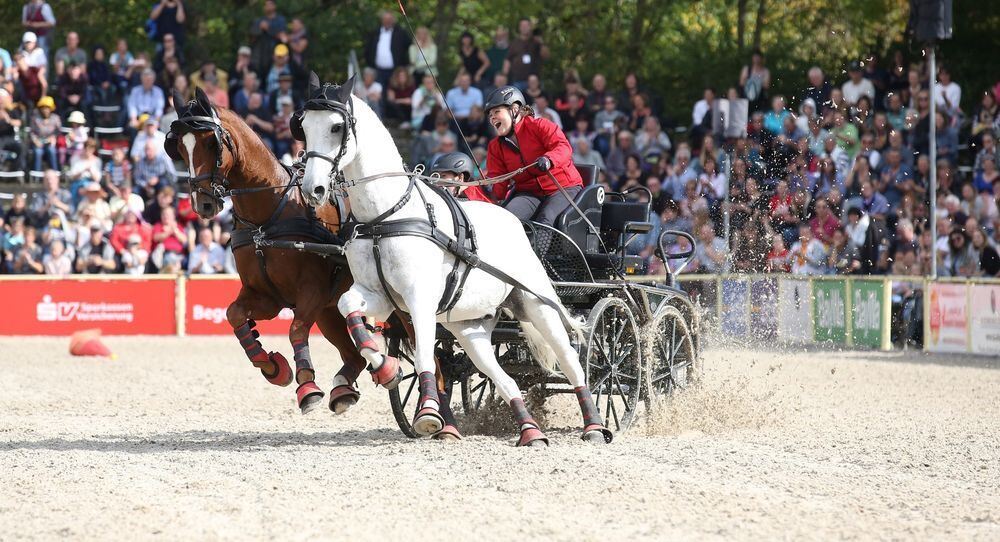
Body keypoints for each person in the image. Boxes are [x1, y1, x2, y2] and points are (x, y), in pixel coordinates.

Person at [484, 86, 583, 225]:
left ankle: (538, 248)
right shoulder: (495, 146)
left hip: (563, 187)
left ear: (514, 110)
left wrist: (549, 159)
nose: (492, 118)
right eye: (490, 115)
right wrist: (482, 188)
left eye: (496, 111)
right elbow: (497, 186)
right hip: (529, 193)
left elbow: (563, 147)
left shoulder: (541, 125)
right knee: (505, 220)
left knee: (546, 220)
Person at [364, 10, 411, 88]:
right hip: (378, 70)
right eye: (385, 19)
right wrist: (370, 62)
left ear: (393, 21)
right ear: (382, 20)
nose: (387, 22)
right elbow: (368, 49)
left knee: (393, 92)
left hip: (395, 70)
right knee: (379, 91)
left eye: (390, 19)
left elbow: (408, 47)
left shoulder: (400, 33)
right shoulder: (375, 32)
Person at [503, 18, 548, 91]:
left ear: (530, 27)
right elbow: (508, 59)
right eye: (522, 26)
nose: (524, 28)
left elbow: (546, 56)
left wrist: (541, 42)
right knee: (518, 101)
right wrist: (504, 75)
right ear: (519, 28)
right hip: (518, 80)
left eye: (526, 26)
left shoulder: (536, 42)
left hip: (534, 80)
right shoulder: (514, 43)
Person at [249, 0, 286, 74]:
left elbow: (282, 37)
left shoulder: (280, 20)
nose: (267, 7)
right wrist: (260, 28)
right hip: (260, 58)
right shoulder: (259, 20)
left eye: (269, 4)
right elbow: (252, 35)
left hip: (275, 57)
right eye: (265, 5)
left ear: (274, 6)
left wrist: (268, 28)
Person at [30, 96, 60, 172]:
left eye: (47, 108)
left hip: (50, 142)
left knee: (52, 151)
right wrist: (35, 140)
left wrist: (53, 138)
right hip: (38, 142)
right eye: (43, 108)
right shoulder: (35, 118)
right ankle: (37, 175)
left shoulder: (56, 118)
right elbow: (32, 132)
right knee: (38, 152)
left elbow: (58, 132)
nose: (45, 110)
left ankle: (55, 173)